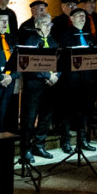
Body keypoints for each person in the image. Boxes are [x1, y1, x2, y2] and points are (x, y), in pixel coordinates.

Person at [18, 13, 59, 163]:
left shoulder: (53, 41)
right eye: (45, 24)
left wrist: (56, 76)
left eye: (50, 24)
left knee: (45, 117)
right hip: (34, 85)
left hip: (50, 86)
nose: (48, 27)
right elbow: (29, 65)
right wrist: (48, 76)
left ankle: (39, 145)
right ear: (37, 26)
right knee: (29, 119)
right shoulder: (30, 41)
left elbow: (60, 61)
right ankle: (25, 149)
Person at [58, 8, 97, 153]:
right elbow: (62, 57)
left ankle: (83, 140)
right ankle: (66, 142)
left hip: (86, 79)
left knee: (84, 111)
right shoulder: (66, 35)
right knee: (68, 112)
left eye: (84, 16)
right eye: (79, 15)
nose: (82, 18)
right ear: (71, 18)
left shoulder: (88, 35)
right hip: (71, 80)